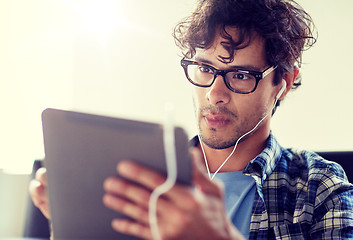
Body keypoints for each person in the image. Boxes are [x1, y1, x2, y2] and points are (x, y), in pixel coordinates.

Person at [29, 0, 353, 239]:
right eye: (206, 69)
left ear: (281, 84)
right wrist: (69, 227)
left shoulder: (318, 187)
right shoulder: (146, 178)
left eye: (240, 75)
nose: (214, 94)